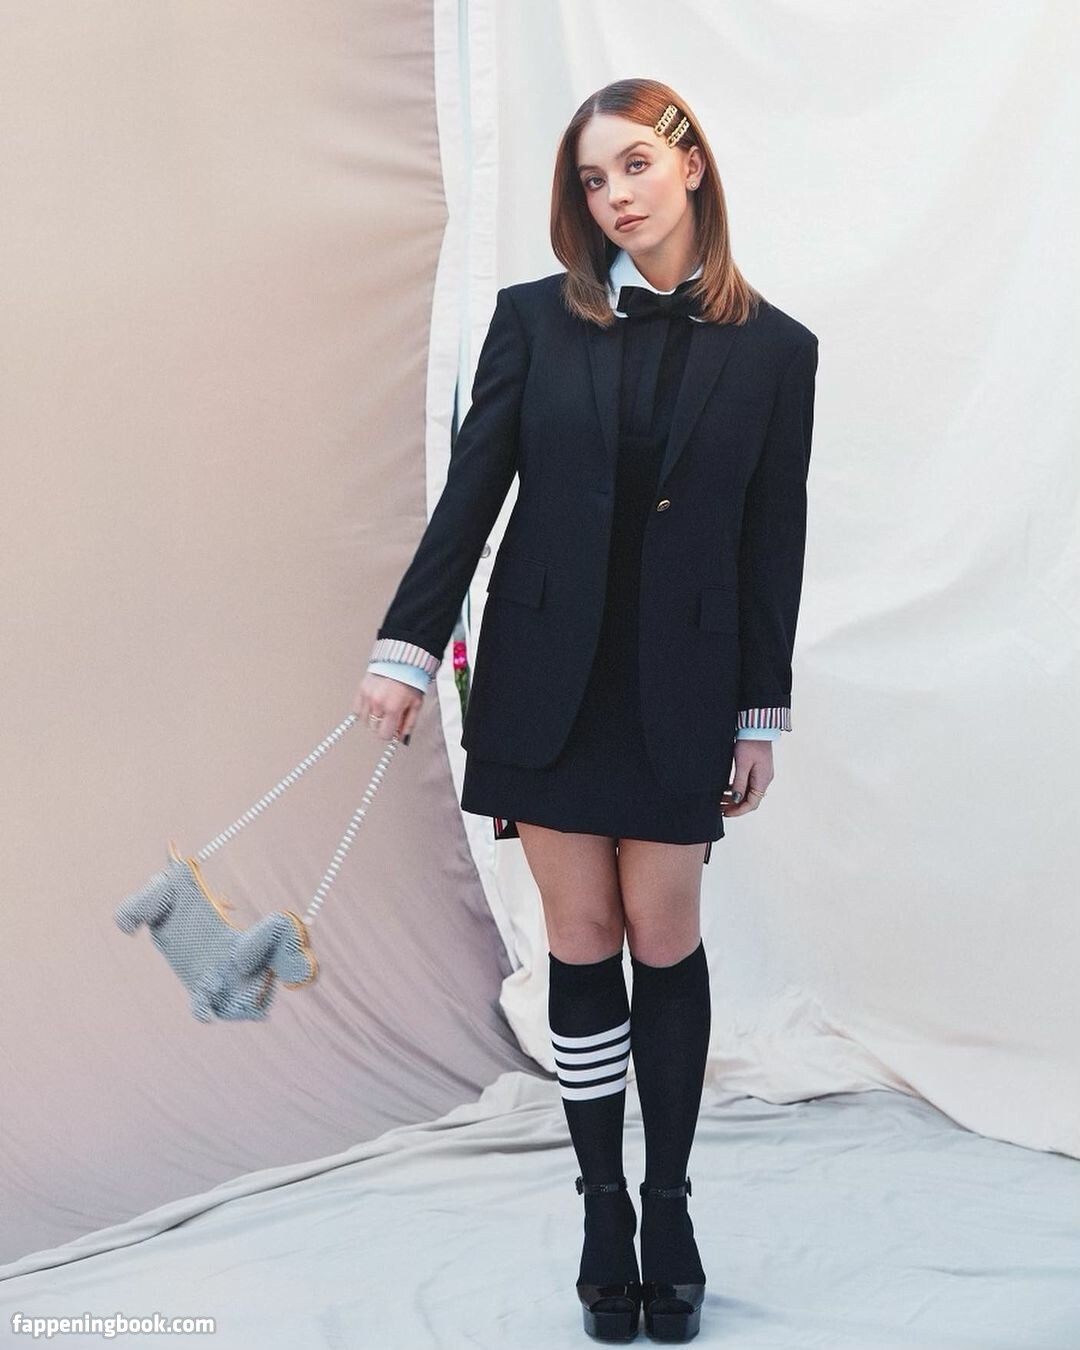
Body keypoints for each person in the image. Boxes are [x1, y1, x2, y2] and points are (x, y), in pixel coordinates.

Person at [354, 77, 818, 1344]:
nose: (614, 195)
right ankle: (603, 1209)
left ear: (690, 164)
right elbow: (471, 501)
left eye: (634, 166)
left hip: (683, 687)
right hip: (545, 677)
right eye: (592, 180)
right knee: (581, 934)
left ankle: (670, 1207)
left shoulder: (777, 351)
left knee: (663, 935)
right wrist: (407, 651)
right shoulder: (532, 322)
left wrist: (760, 712)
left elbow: (772, 541)